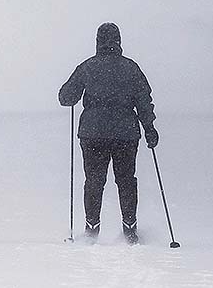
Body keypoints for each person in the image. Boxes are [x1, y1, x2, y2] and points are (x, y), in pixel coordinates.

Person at [58, 22, 158, 244]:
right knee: (126, 181)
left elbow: (65, 98)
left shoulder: (88, 67)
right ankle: (130, 230)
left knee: (94, 181)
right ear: (119, 42)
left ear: (97, 42)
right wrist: (149, 128)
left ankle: (91, 231)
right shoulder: (131, 68)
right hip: (126, 134)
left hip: (93, 134)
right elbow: (144, 101)